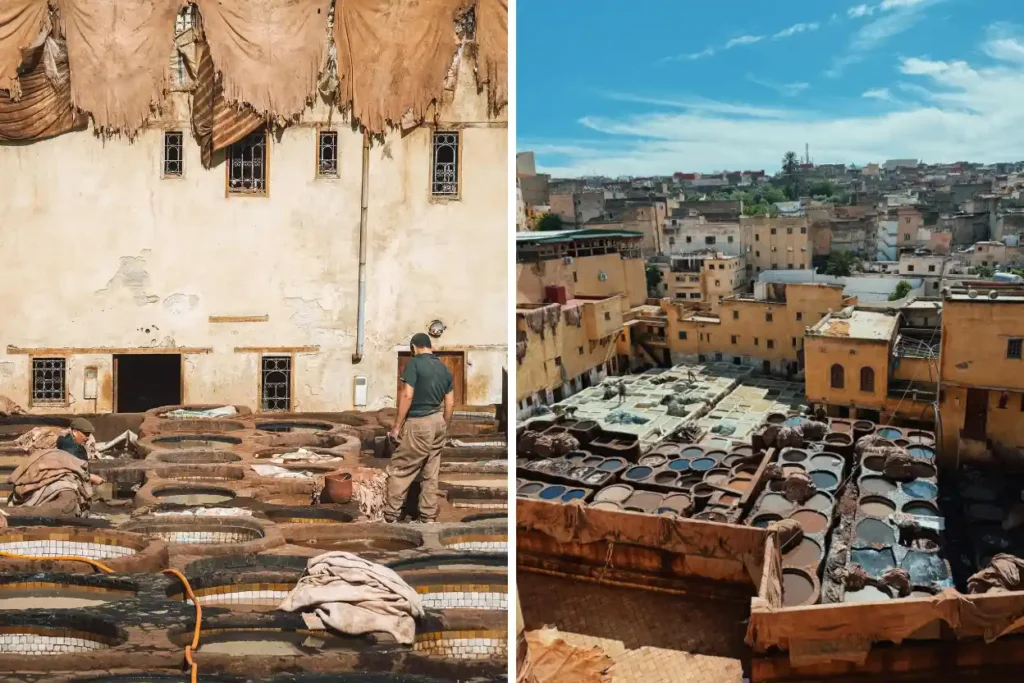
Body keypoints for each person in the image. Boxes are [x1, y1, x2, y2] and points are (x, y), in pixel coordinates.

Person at [385, 333, 455, 523]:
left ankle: (391, 515)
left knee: (400, 468)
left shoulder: (414, 364)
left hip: (419, 421)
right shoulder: (444, 368)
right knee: (430, 472)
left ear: (414, 347)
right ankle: (427, 516)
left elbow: (407, 395)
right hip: (438, 421)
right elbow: (450, 403)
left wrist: (397, 426)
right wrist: (444, 426)